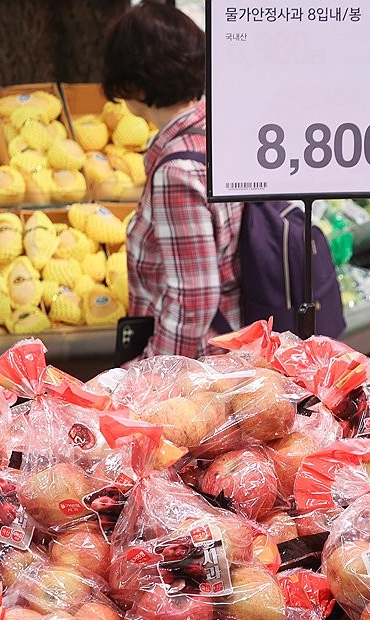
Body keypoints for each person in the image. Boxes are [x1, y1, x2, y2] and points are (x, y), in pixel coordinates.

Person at [102, 1, 242, 358]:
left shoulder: (175, 173)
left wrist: (152, 382)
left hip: (198, 374)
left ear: (133, 82)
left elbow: (192, 301)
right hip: (237, 349)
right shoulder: (221, 127)